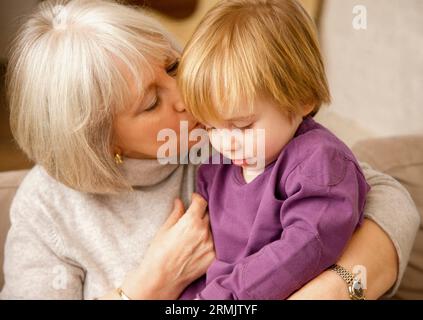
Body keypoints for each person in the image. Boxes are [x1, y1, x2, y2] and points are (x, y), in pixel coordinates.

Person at [0, 0, 419, 300]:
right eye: (150, 103)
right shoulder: (47, 210)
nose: (185, 95)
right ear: (100, 141)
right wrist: (148, 285)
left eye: (173, 66)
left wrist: (336, 287)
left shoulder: (221, 133)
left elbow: (385, 196)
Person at [178, 0, 371, 300]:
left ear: (301, 99)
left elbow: (303, 250)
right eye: (210, 127)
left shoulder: (320, 163)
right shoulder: (217, 168)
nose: (225, 142)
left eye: (242, 126)